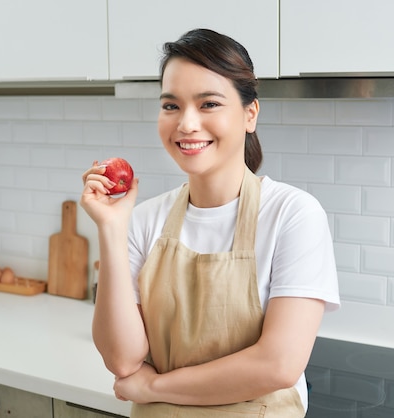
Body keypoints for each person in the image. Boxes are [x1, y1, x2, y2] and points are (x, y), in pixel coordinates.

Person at [80, 28, 340, 417]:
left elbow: (279, 364)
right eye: (171, 106)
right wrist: (111, 230)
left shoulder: (293, 215)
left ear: (250, 114)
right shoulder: (145, 220)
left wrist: (153, 385)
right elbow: (121, 360)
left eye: (209, 104)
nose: (186, 124)